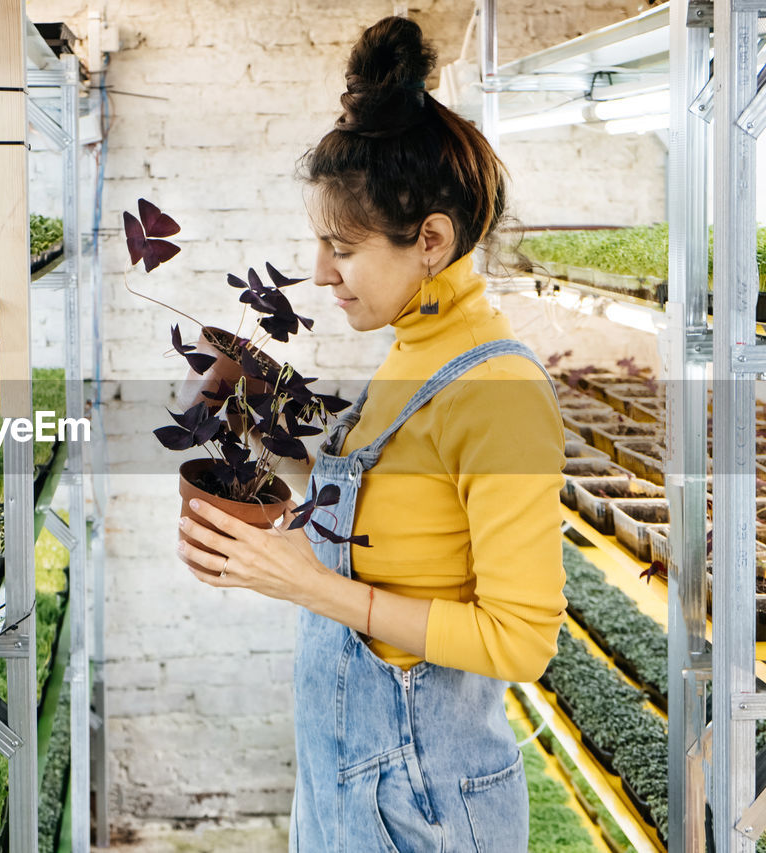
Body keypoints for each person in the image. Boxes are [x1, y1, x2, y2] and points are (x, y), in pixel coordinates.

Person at [175, 16, 567, 852]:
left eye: (340, 247)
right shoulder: (413, 348)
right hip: (346, 780)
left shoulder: (498, 392)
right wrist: (266, 427)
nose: (318, 273)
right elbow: (387, 520)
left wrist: (304, 585)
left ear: (430, 238)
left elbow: (522, 640)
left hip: (423, 805)